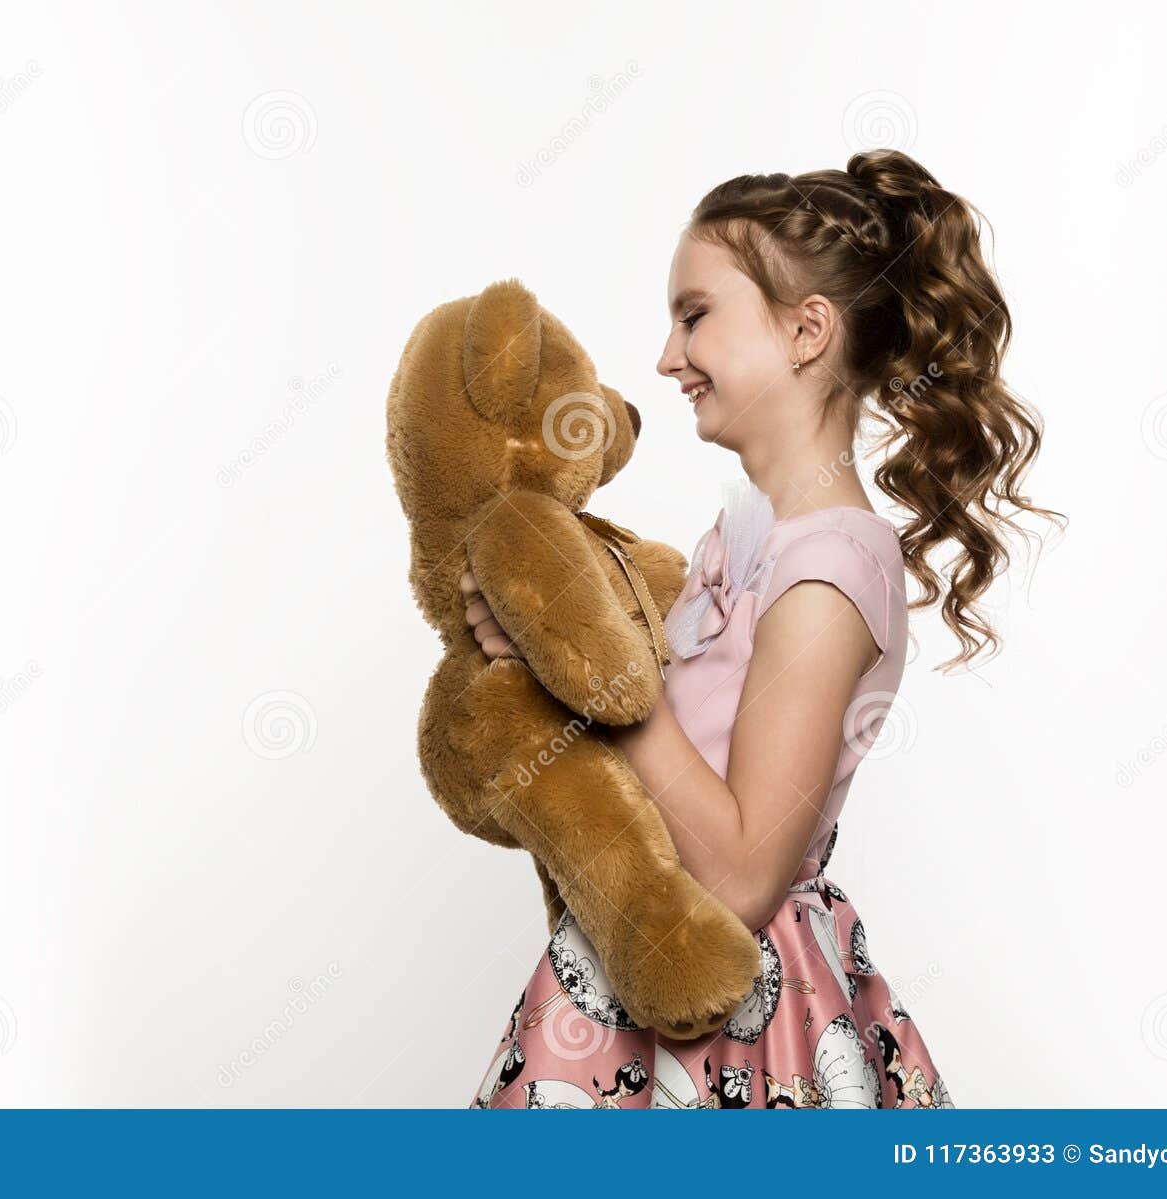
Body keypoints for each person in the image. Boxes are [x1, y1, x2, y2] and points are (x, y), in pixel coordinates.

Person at [461, 148, 1063, 1109]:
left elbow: (743, 873)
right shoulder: (752, 542)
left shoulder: (828, 570)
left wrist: (600, 680)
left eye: (695, 314)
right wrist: (539, 644)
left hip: (736, 1031)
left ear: (806, 330)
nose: (666, 357)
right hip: (639, 973)